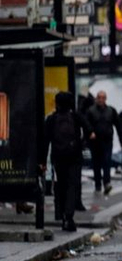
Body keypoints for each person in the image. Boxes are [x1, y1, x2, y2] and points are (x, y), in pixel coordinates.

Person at [44, 92, 91, 232]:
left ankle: (61, 214)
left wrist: (42, 161)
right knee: (72, 186)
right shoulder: (76, 117)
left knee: (60, 186)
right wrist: (81, 144)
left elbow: (45, 141)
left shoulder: (51, 119)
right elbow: (89, 130)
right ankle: (69, 216)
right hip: (74, 157)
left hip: (58, 157)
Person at [84, 91, 122, 195]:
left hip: (107, 140)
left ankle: (106, 182)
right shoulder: (91, 111)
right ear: (96, 98)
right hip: (95, 141)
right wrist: (90, 132)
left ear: (105, 99)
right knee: (96, 163)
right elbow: (86, 123)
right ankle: (98, 183)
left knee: (107, 161)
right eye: (99, 97)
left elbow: (118, 125)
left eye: (103, 97)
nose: (101, 100)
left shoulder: (111, 110)